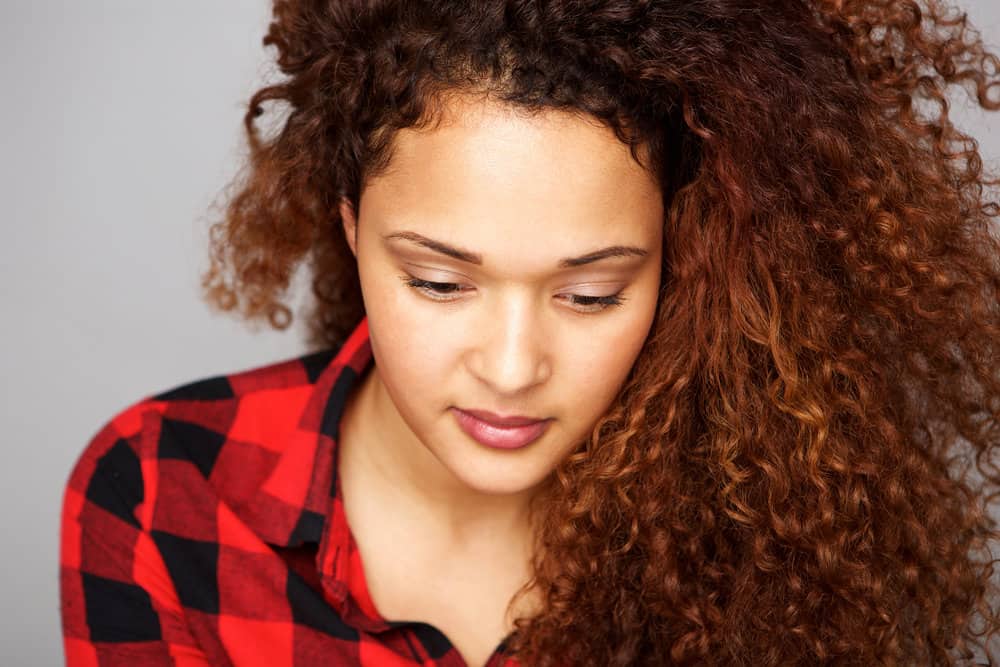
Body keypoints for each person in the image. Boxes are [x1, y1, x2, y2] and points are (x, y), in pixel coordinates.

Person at [59, 0, 1000, 664]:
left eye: (590, 294)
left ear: (685, 258)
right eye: (438, 280)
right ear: (350, 227)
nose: (512, 368)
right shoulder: (162, 496)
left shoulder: (773, 550)